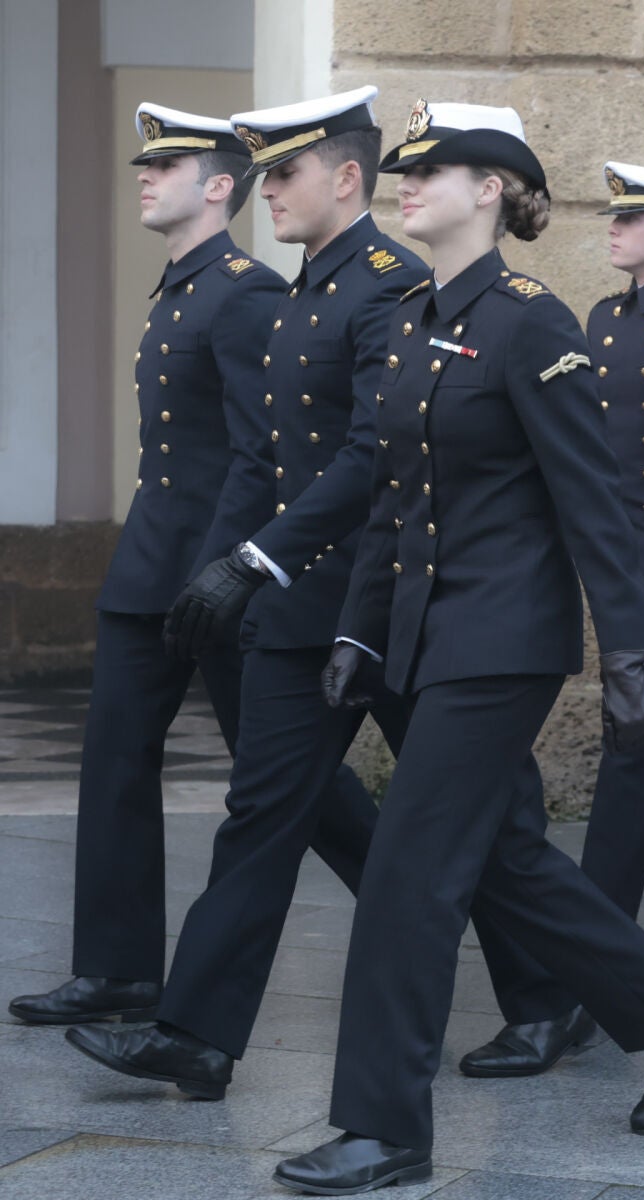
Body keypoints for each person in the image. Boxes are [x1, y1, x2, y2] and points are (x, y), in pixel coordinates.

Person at [274, 100, 644, 1197]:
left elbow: (594, 504)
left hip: (503, 641)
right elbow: (395, 499)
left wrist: (631, 656)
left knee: (407, 874)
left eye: (437, 173)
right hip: (426, 637)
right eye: (409, 172)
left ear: (490, 192)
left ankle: (385, 1130)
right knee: (501, 859)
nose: (410, 186)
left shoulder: (530, 322)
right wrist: (355, 627)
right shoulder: (412, 318)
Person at [62, 86, 432, 1097]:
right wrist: (221, 562)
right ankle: (174, 1017)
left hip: (330, 590)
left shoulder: (327, 289)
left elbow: (330, 457)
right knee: (258, 808)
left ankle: (577, 983)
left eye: (286, 173)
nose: (271, 192)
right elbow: (257, 453)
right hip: (245, 583)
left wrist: (248, 562)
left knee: (465, 829)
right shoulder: (276, 290)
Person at [8, 102, 373, 1028]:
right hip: (151, 568)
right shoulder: (179, 287)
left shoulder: (244, 291)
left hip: (218, 579)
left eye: (165, 166)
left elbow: (265, 452)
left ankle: (420, 908)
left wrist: (230, 573)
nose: (144, 175)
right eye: (145, 164)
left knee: (294, 782)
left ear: (219, 187)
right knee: (115, 758)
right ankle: (116, 970)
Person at [457, 161, 644, 1083]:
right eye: (615, 218)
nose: (614, 230)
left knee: (633, 760)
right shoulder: (600, 319)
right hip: (618, 556)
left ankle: (588, 967)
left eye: (633, 220)